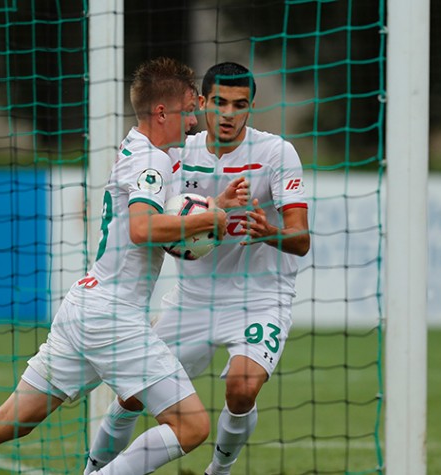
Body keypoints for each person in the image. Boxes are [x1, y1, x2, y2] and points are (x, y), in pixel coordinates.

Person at [0, 57, 228, 475]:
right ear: (161, 112)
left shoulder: (138, 147)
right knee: (192, 427)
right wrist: (207, 221)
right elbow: (143, 228)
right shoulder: (151, 162)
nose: (193, 121)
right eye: (189, 110)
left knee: (14, 418)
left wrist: (210, 209)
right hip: (113, 317)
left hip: (85, 307)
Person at [84, 61, 310, 475]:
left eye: (239, 105)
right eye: (219, 102)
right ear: (202, 102)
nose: (228, 114)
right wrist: (202, 218)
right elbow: (158, 221)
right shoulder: (177, 153)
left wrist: (267, 231)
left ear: (251, 107)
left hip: (260, 298)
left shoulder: (276, 153)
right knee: (131, 393)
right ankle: (92, 467)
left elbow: (301, 238)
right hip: (193, 298)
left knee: (242, 387)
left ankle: (218, 472)